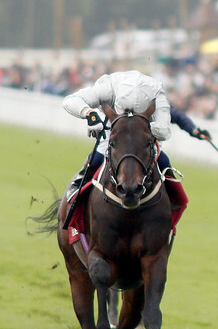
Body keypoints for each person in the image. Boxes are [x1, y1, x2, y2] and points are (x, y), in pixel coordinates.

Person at [62, 70, 210, 233]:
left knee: (164, 163)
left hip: (142, 139)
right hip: (115, 135)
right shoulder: (108, 88)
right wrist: (89, 113)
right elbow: (71, 101)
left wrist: (194, 130)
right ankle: (74, 195)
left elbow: (174, 117)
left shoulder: (154, 95)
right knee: (95, 161)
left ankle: (173, 206)